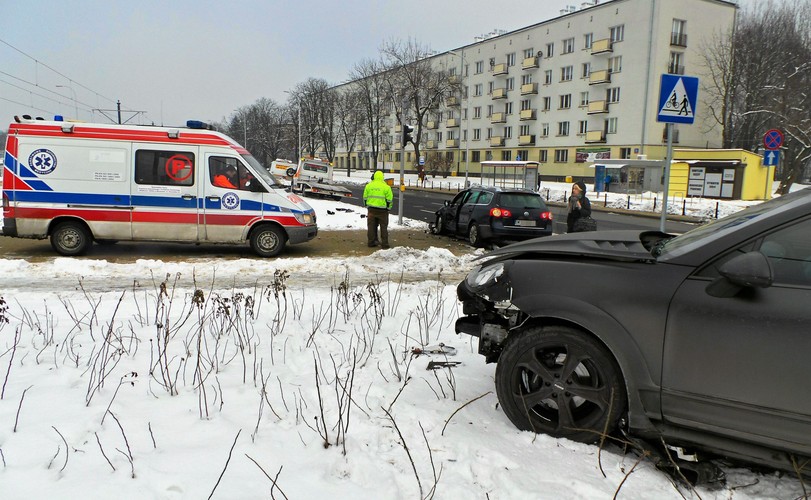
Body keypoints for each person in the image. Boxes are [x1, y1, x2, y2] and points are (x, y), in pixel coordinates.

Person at [363, 170, 393, 248]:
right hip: (383, 211)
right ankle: (385, 244)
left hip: (371, 210)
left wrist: (366, 206)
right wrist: (388, 208)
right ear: (382, 177)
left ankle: (371, 242)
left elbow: (365, 198)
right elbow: (389, 200)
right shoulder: (386, 187)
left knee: (371, 226)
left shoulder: (368, 186)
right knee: (383, 227)